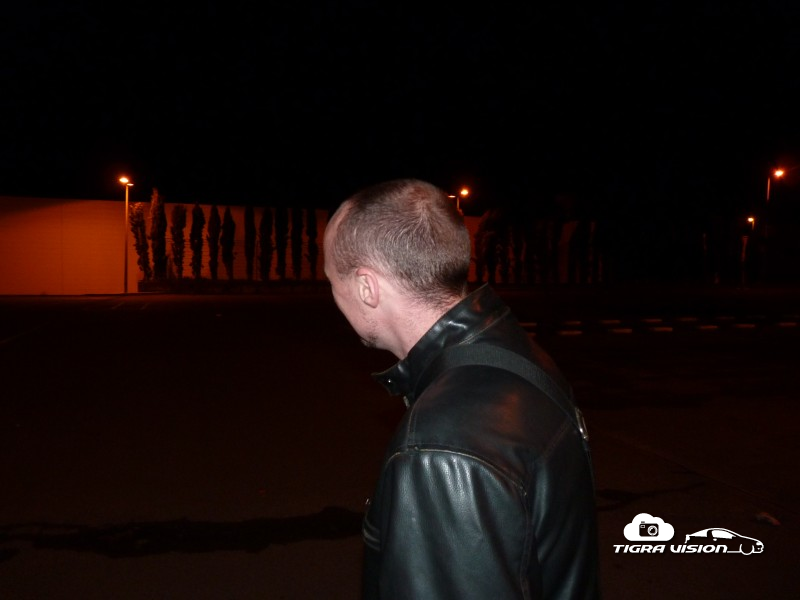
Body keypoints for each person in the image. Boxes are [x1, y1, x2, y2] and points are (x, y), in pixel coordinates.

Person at [323, 179, 599, 599]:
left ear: (366, 287)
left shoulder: (440, 448)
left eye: (331, 280)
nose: (333, 296)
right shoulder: (512, 351)